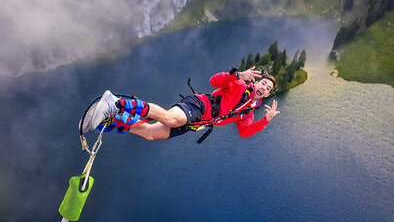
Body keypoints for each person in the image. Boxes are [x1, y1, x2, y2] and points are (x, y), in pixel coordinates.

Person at [84, 66, 280, 142]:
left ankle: (110, 120)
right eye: (264, 83)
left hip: (196, 123)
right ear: (256, 82)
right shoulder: (239, 85)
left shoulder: (248, 113)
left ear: (266, 95)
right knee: (170, 119)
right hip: (200, 106)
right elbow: (214, 81)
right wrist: (236, 74)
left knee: (151, 134)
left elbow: (244, 132)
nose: (264, 88)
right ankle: (117, 103)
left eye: (268, 88)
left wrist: (266, 121)